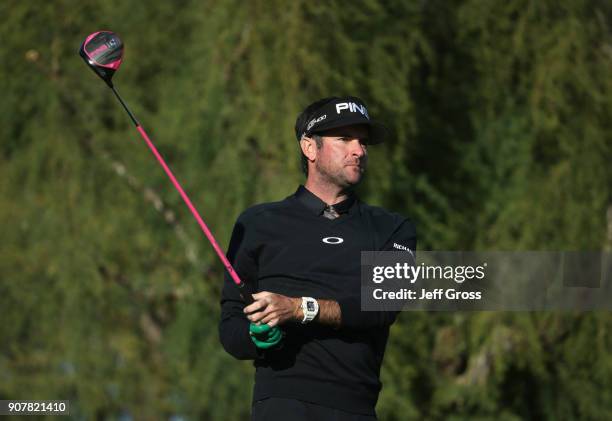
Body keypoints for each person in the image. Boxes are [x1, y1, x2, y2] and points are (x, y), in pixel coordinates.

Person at [219, 96, 417, 420]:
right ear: (310, 148)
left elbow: (383, 303)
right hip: (280, 405)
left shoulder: (392, 228)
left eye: (363, 141)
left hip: (355, 408)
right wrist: (256, 338)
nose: (359, 150)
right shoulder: (256, 223)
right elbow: (231, 328)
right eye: (344, 139)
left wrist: (298, 308)